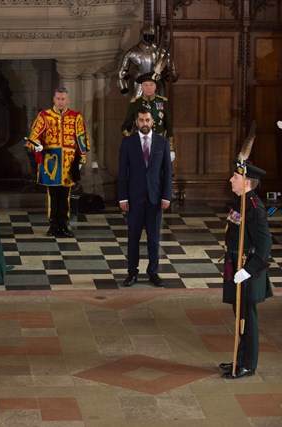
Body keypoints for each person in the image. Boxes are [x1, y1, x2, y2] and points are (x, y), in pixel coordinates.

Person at [219, 161, 272, 379]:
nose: (231, 180)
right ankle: (240, 358)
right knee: (239, 317)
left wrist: (247, 271)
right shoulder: (240, 203)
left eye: (235, 177)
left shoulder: (254, 209)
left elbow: (264, 246)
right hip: (236, 266)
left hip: (248, 272)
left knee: (247, 321)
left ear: (247, 182)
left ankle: (248, 365)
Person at [118, 107, 172, 287]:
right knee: (133, 238)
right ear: (136, 122)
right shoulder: (128, 142)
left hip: (155, 199)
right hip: (134, 200)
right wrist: (122, 198)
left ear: (152, 122)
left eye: (147, 120)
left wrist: (167, 196)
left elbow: (167, 172)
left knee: (154, 239)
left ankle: (153, 272)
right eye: (141, 120)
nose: (144, 124)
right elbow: (122, 172)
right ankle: (132, 273)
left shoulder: (162, 142)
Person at [26, 87, 90, 238]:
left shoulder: (76, 117)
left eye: (63, 99)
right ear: (54, 99)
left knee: (65, 195)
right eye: (58, 99)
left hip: (69, 161)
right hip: (51, 163)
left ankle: (64, 225)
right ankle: (53, 225)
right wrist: (38, 146)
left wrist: (82, 158)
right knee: (53, 195)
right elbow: (32, 137)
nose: (61, 102)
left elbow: (82, 138)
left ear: (67, 100)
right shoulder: (44, 116)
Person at [121, 74, 176, 160]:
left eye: (151, 85)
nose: (148, 88)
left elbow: (169, 126)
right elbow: (125, 127)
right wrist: (132, 140)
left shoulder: (162, 102)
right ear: (142, 87)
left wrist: (171, 148)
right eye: (146, 85)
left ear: (155, 87)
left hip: (159, 143)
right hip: (140, 144)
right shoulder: (135, 103)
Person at [117, 22, 178, 99]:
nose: (149, 39)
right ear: (142, 36)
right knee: (137, 106)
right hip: (139, 83)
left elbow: (173, 71)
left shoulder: (161, 52)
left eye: (151, 36)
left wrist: (171, 76)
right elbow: (122, 72)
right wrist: (124, 87)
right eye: (147, 36)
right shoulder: (132, 52)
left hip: (157, 83)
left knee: (158, 107)